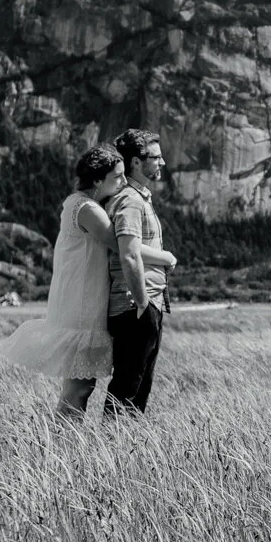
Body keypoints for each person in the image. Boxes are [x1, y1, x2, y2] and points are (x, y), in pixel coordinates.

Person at [0, 145, 176, 416]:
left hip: (81, 298)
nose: (124, 182)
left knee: (81, 386)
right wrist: (165, 257)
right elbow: (122, 245)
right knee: (79, 389)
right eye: (117, 177)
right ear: (97, 180)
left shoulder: (79, 203)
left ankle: (70, 445)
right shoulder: (88, 209)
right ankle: (66, 446)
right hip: (82, 303)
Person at [104, 128, 175, 416]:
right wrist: (144, 304)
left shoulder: (138, 198)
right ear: (135, 161)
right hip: (135, 306)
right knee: (127, 389)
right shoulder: (130, 200)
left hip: (144, 305)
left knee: (137, 388)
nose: (162, 163)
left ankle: (123, 449)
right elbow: (129, 253)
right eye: (155, 157)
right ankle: (111, 451)